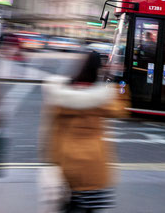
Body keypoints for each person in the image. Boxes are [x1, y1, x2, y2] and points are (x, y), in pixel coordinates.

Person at [41, 51, 118, 212]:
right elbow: (120, 109)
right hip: (93, 164)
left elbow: (52, 130)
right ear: (98, 70)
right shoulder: (101, 99)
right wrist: (115, 79)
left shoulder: (61, 96)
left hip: (68, 162)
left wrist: (51, 160)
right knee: (89, 207)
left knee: (71, 204)